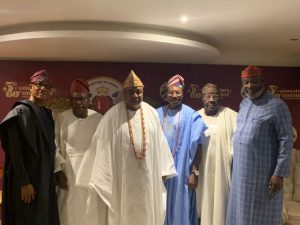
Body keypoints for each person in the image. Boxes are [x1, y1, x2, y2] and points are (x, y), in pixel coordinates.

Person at [76, 70, 177, 225]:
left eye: (139, 92)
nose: (135, 96)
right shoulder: (112, 115)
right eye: (131, 92)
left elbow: (160, 144)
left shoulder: (151, 113)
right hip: (122, 180)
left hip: (147, 179)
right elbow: (101, 146)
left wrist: (163, 170)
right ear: (124, 93)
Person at [225, 65, 293, 225]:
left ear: (262, 81)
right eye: (246, 82)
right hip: (240, 174)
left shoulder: (277, 106)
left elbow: (286, 140)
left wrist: (279, 174)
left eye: (253, 82)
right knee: (238, 213)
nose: (249, 86)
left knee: (259, 216)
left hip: (262, 176)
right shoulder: (244, 104)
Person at [0, 70, 60, 225]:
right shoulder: (19, 112)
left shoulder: (46, 114)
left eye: (47, 86)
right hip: (26, 181)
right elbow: (15, 152)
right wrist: (24, 183)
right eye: (39, 84)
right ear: (31, 86)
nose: (43, 89)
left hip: (43, 178)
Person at [156, 74, 207, 225]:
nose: (174, 96)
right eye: (171, 92)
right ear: (166, 94)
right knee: (160, 207)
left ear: (182, 94)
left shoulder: (191, 115)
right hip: (161, 172)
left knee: (181, 208)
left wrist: (194, 173)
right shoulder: (157, 113)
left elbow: (198, 145)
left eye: (177, 92)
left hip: (182, 172)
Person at [54, 79, 105, 225]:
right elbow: (54, 145)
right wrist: (58, 170)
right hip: (69, 173)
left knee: (92, 210)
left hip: (92, 174)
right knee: (69, 210)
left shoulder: (98, 119)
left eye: (83, 98)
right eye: (76, 99)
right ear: (71, 99)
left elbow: (104, 148)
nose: (80, 103)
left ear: (88, 99)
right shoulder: (62, 118)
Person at [196, 83, 237, 225]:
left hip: (223, 172)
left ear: (220, 98)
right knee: (203, 203)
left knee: (221, 205)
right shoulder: (196, 117)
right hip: (202, 172)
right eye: (207, 96)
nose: (211, 99)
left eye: (215, 95)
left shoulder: (231, 116)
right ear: (202, 98)